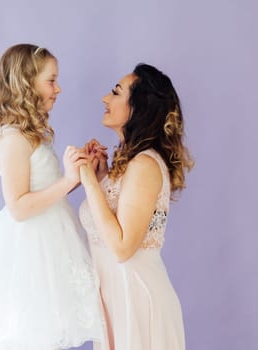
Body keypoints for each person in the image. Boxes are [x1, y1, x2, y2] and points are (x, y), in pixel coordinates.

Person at [0, 43, 104, 350]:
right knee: (33, 334)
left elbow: (47, 191)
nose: (58, 88)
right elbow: (19, 206)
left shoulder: (30, 134)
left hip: (49, 239)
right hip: (30, 249)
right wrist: (67, 180)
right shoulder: (12, 138)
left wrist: (84, 173)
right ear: (27, 83)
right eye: (51, 80)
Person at [78, 63, 194, 350]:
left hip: (137, 303)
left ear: (138, 107)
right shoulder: (130, 164)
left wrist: (87, 181)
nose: (106, 98)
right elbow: (113, 220)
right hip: (116, 303)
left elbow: (122, 247)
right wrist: (102, 178)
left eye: (116, 93)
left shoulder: (144, 165)